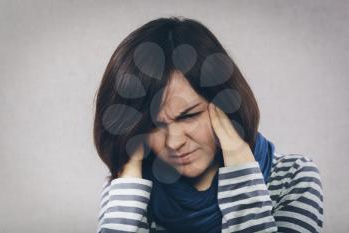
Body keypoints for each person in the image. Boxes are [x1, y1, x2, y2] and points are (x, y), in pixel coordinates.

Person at [93, 17, 324, 233]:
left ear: (225, 101)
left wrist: (241, 166)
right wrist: (129, 175)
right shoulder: (127, 189)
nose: (174, 142)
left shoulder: (294, 176)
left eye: (188, 116)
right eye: (153, 126)